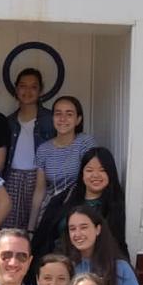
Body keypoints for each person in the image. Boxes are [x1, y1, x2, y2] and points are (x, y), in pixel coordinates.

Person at [36, 147, 129, 260]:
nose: (95, 175)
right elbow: (42, 237)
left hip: (96, 265)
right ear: (82, 174)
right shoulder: (63, 199)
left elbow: (117, 244)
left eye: (102, 170)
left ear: (111, 173)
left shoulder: (116, 205)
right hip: (59, 263)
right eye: (89, 170)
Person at [61, 207, 143, 285]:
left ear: (98, 229)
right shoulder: (64, 267)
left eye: (84, 227)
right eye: (72, 229)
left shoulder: (120, 268)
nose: (77, 234)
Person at [4, 67, 53, 229]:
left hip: (40, 179)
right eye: (23, 86)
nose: (27, 91)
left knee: (37, 228)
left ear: (40, 90)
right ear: (16, 89)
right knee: (11, 231)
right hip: (12, 178)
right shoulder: (9, 121)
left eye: (33, 87)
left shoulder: (50, 119)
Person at [31, 95, 92, 225]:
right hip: (51, 212)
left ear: (78, 120)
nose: (63, 119)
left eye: (69, 114)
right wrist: (31, 227)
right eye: (58, 114)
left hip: (79, 213)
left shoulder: (85, 143)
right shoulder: (43, 149)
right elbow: (40, 190)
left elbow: (92, 181)